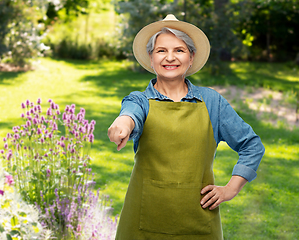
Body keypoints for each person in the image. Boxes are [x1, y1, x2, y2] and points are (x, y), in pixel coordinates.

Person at [108, 14, 265, 240]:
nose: (170, 57)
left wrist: (231, 188)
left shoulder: (212, 103)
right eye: (161, 50)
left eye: (179, 50)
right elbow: (130, 114)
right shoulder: (139, 100)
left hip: (200, 222)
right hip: (144, 221)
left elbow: (251, 145)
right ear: (151, 58)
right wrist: (122, 124)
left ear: (191, 58)